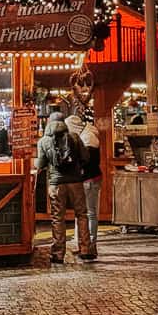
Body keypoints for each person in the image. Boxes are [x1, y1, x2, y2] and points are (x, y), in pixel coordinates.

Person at [36, 112, 92, 263]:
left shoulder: (44, 141)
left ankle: (58, 253)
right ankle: (85, 249)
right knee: (81, 214)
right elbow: (86, 157)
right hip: (75, 182)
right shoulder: (74, 137)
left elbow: (40, 165)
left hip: (56, 184)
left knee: (57, 218)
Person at [66, 115, 102, 257]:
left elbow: (87, 164)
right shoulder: (82, 136)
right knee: (81, 213)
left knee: (89, 213)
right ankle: (81, 243)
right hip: (84, 180)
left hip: (89, 180)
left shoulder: (89, 139)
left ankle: (90, 244)